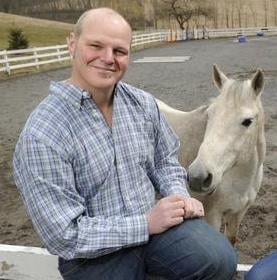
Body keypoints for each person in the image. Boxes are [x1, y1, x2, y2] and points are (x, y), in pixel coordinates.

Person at [13, 8, 237, 280]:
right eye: (96, 46)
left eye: (119, 51)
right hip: (92, 256)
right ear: (73, 44)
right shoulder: (43, 133)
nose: (108, 58)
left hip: (154, 231)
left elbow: (164, 160)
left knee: (220, 257)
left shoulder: (141, 104)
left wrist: (178, 196)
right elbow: (64, 235)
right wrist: (145, 224)